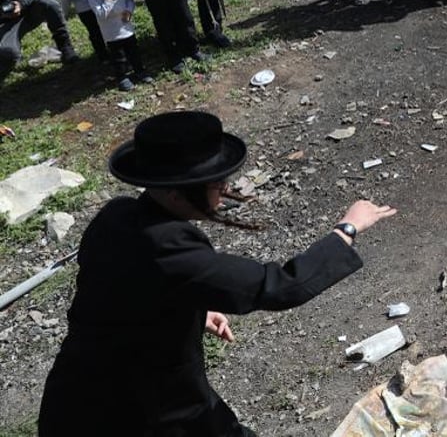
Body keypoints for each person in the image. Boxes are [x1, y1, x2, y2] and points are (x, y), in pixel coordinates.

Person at [38, 110, 396, 436]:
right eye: (215, 181)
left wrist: (192, 305)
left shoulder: (118, 215)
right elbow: (277, 286)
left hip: (84, 390)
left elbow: (123, 289)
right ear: (177, 192)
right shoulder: (168, 248)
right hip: (132, 411)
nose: (225, 189)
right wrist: (346, 230)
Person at [0, 0, 79, 84]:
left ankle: (65, 47)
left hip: (28, 10)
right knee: (9, 53)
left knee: (49, 2)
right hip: (4, 24)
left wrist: (21, 3)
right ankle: (12, 51)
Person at [84, 0, 151, 91]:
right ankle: (122, 77)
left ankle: (140, 71)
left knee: (134, 52)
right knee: (118, 58)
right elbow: (102, 14)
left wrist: (129, 11)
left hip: (127, 29)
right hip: (112, 35)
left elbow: (129, 1)